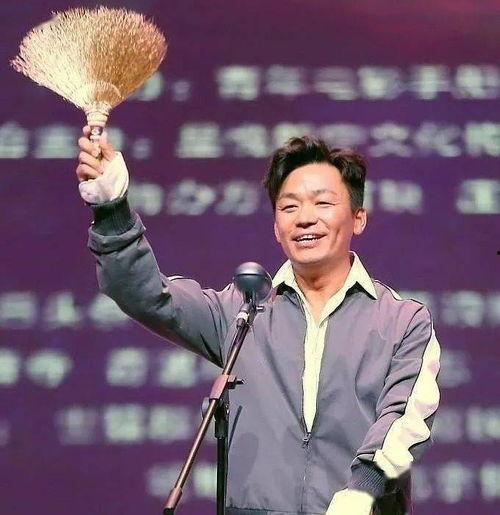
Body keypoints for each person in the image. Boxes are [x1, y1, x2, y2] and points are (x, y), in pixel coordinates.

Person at [76, 128, 441, 515]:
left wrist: (362, 491)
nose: (305, 219)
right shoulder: (242, 312)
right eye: (289, 207)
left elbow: (405, 418)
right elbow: (147, 294)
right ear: (276, 229)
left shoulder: (403, 321)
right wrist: (112, 209)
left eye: (323, 203)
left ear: (358, 217)